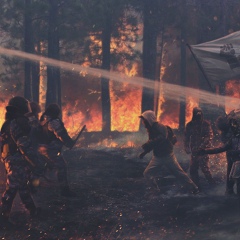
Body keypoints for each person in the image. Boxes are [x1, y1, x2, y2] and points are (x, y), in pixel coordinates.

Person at [0, 96, 43, 226]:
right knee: (12, 188)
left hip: (13, 157)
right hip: (15, 158)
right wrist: (34, 161)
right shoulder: (17, 122)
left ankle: (32, 210)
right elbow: (22, 144)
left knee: (22, 185)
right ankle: (3, 217)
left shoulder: (10, 122)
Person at [139, 110, 199, 194]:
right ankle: (155, 191)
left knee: (180, 174)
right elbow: (154, 143)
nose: (143, 122)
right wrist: (145, 152)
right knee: (147, 174)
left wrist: (149, 144)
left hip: (168, 156)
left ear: (149, 119)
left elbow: (162, 138)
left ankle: (194, 188)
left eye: (144, 120)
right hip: (157, 157)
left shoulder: (160, 127)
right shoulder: (151, 129)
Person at [197, 110, 240, 196]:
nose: (234, 127)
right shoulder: (230, 136)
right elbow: (222, 148)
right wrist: (205, 151)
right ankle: (229, 191)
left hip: (235, 157)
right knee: (232, 175)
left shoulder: (232, 127)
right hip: (233, 157)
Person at [37, 103, 76, 197]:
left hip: (41, 148)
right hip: (49, 149)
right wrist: (69, 142)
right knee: (61, 166)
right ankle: (64, 191)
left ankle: (37, 185)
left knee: (44, 167)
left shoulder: (43, 119)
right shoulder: (53, 121)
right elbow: (60, 134)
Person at [184, 107, 215, 190]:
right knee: (193, 169)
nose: (198, 116)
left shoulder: (206, 124)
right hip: (194, 150)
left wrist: (203, 146)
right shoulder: (190, 125)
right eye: (197, 114)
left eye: (199, 114)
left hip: (203, 150)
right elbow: (186, 137)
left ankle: (212, 185)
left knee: (204, 168)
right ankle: (197, 186)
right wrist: (186, 146)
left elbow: (209, 136)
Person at [216, 113, 236, 195]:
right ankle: (229, 190)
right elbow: (226, 144)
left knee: (231, 171)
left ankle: (229, 190)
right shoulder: (225, 133)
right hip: (232, 153)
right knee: (231, 171)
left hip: (233, 153)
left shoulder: (229, 128)